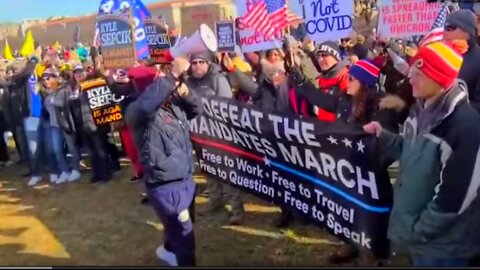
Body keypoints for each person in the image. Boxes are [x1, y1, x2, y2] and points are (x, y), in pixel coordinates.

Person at [364, 40, 480, 267]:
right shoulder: (421, 110)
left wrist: (419, 230)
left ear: (439, 77)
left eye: (420, 71)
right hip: (423, 241)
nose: (410, 77)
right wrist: (384, 136)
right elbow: (412, 150)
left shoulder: (466, 128)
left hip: (445, 247)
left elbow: (456, 198)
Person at [125, 55, 202, 266]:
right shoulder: (135, 111)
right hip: (166, 184)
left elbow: (197, 110)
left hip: (185, 176)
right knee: (185, 240)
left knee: (182, 227)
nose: (162, 79)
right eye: (158, 78)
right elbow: (146, 107)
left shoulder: (173, 103)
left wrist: (186, 94)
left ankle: (168, 250)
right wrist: (172, 75)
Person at [185, 51, 245, 225]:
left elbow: (228, 106)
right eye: (194, 63)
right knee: (208, 169)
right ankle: (215, 200)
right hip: (199, 135)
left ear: (208, 63)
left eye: (201, 62)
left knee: (227, 172)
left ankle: (237, 210)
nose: (197, 66)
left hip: (219, 134)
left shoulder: (217, 79)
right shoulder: (188, 82)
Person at [443, 9, 480, 113]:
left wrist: (451, 106)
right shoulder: (444, 54)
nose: (444, 32)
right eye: (444, 27)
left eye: (450, 28)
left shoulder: (478, 60)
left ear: (467, 31)